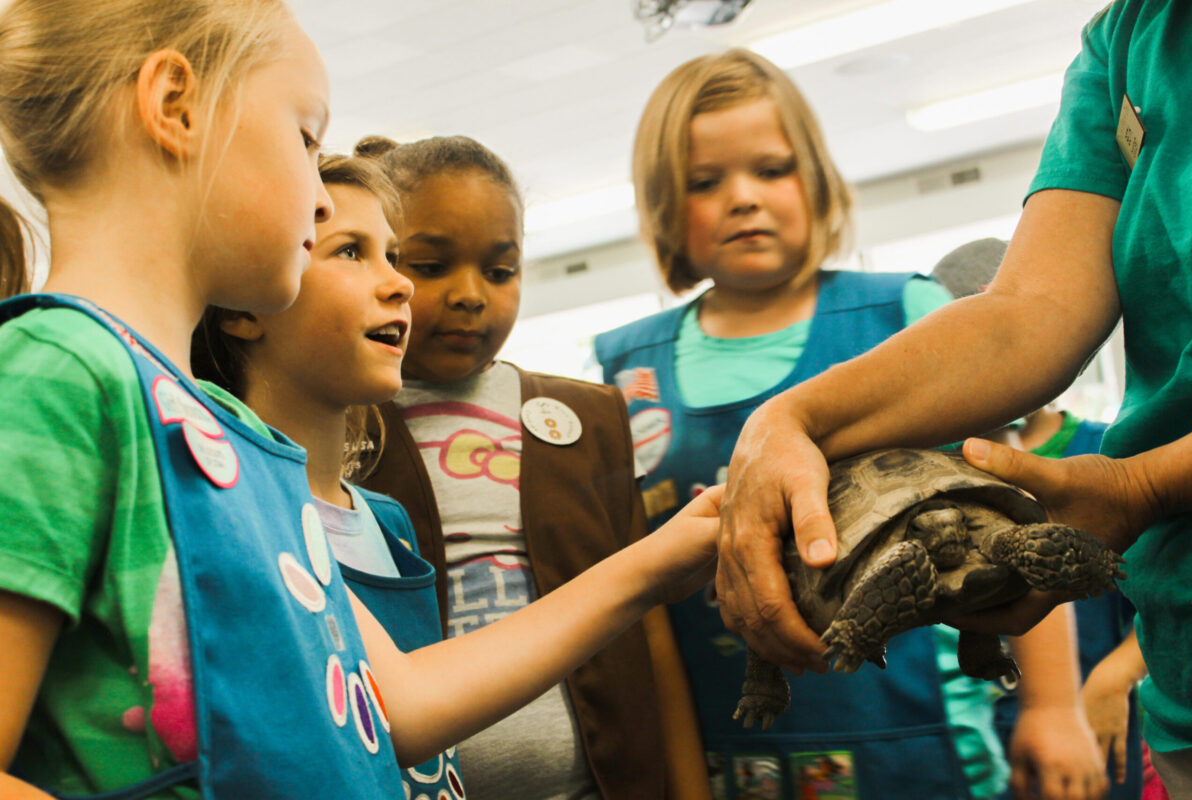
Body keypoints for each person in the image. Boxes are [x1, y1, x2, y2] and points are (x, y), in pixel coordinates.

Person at [0, 2, 722, 796]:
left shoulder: (238, 437)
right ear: (176, 106)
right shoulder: (56, 374)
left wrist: (661, 558)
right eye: (305, 139)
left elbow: (401, 703)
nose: (318, 196)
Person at [712, 1, 1192, 795]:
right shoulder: (1128, 39)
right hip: (1187, 669)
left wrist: (1142, 487)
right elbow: (1028, 313)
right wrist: (788, 422)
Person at [592, 48, 1025, 800]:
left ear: (817, 181)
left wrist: (1052, 706)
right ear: (665, 204)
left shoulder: (906, 314)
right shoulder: (625, 372)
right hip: (735, 753)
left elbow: (1008, 506)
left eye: (771, 169)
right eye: (704, 182)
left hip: (920, 742)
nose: (742, 198)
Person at [354, 134, 711, 800]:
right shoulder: (349, 423)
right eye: (431, 266)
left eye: (500, 270)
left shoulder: (591, 418)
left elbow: (648, 626)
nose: (469, 295)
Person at [191, 153, 467, 797]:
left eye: (394, 256)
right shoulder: (231, 511)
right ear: (245, 304)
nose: (400, 284)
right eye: (350, 252)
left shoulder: (388, 522)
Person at [933, 238, 1140, 800]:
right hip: (988, 747)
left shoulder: (1110, 458)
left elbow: (1175, 595)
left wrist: (1113, 677)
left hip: (1096, 731)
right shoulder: (941, 483)